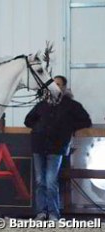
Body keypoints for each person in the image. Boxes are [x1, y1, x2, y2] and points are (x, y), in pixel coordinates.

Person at [24, 75, 92, 221]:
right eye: (53, 84)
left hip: (57, 147)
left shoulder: (71, 105)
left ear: (64, 87)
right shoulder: (42, 104)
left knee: (50, 181)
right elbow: (28, 120)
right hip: (39, 146)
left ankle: (54, 213)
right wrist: (38, 128)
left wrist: (68, 129)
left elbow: (86, 120)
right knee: (40, 181)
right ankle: (41, 212)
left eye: (59, 84)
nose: (56, 87)